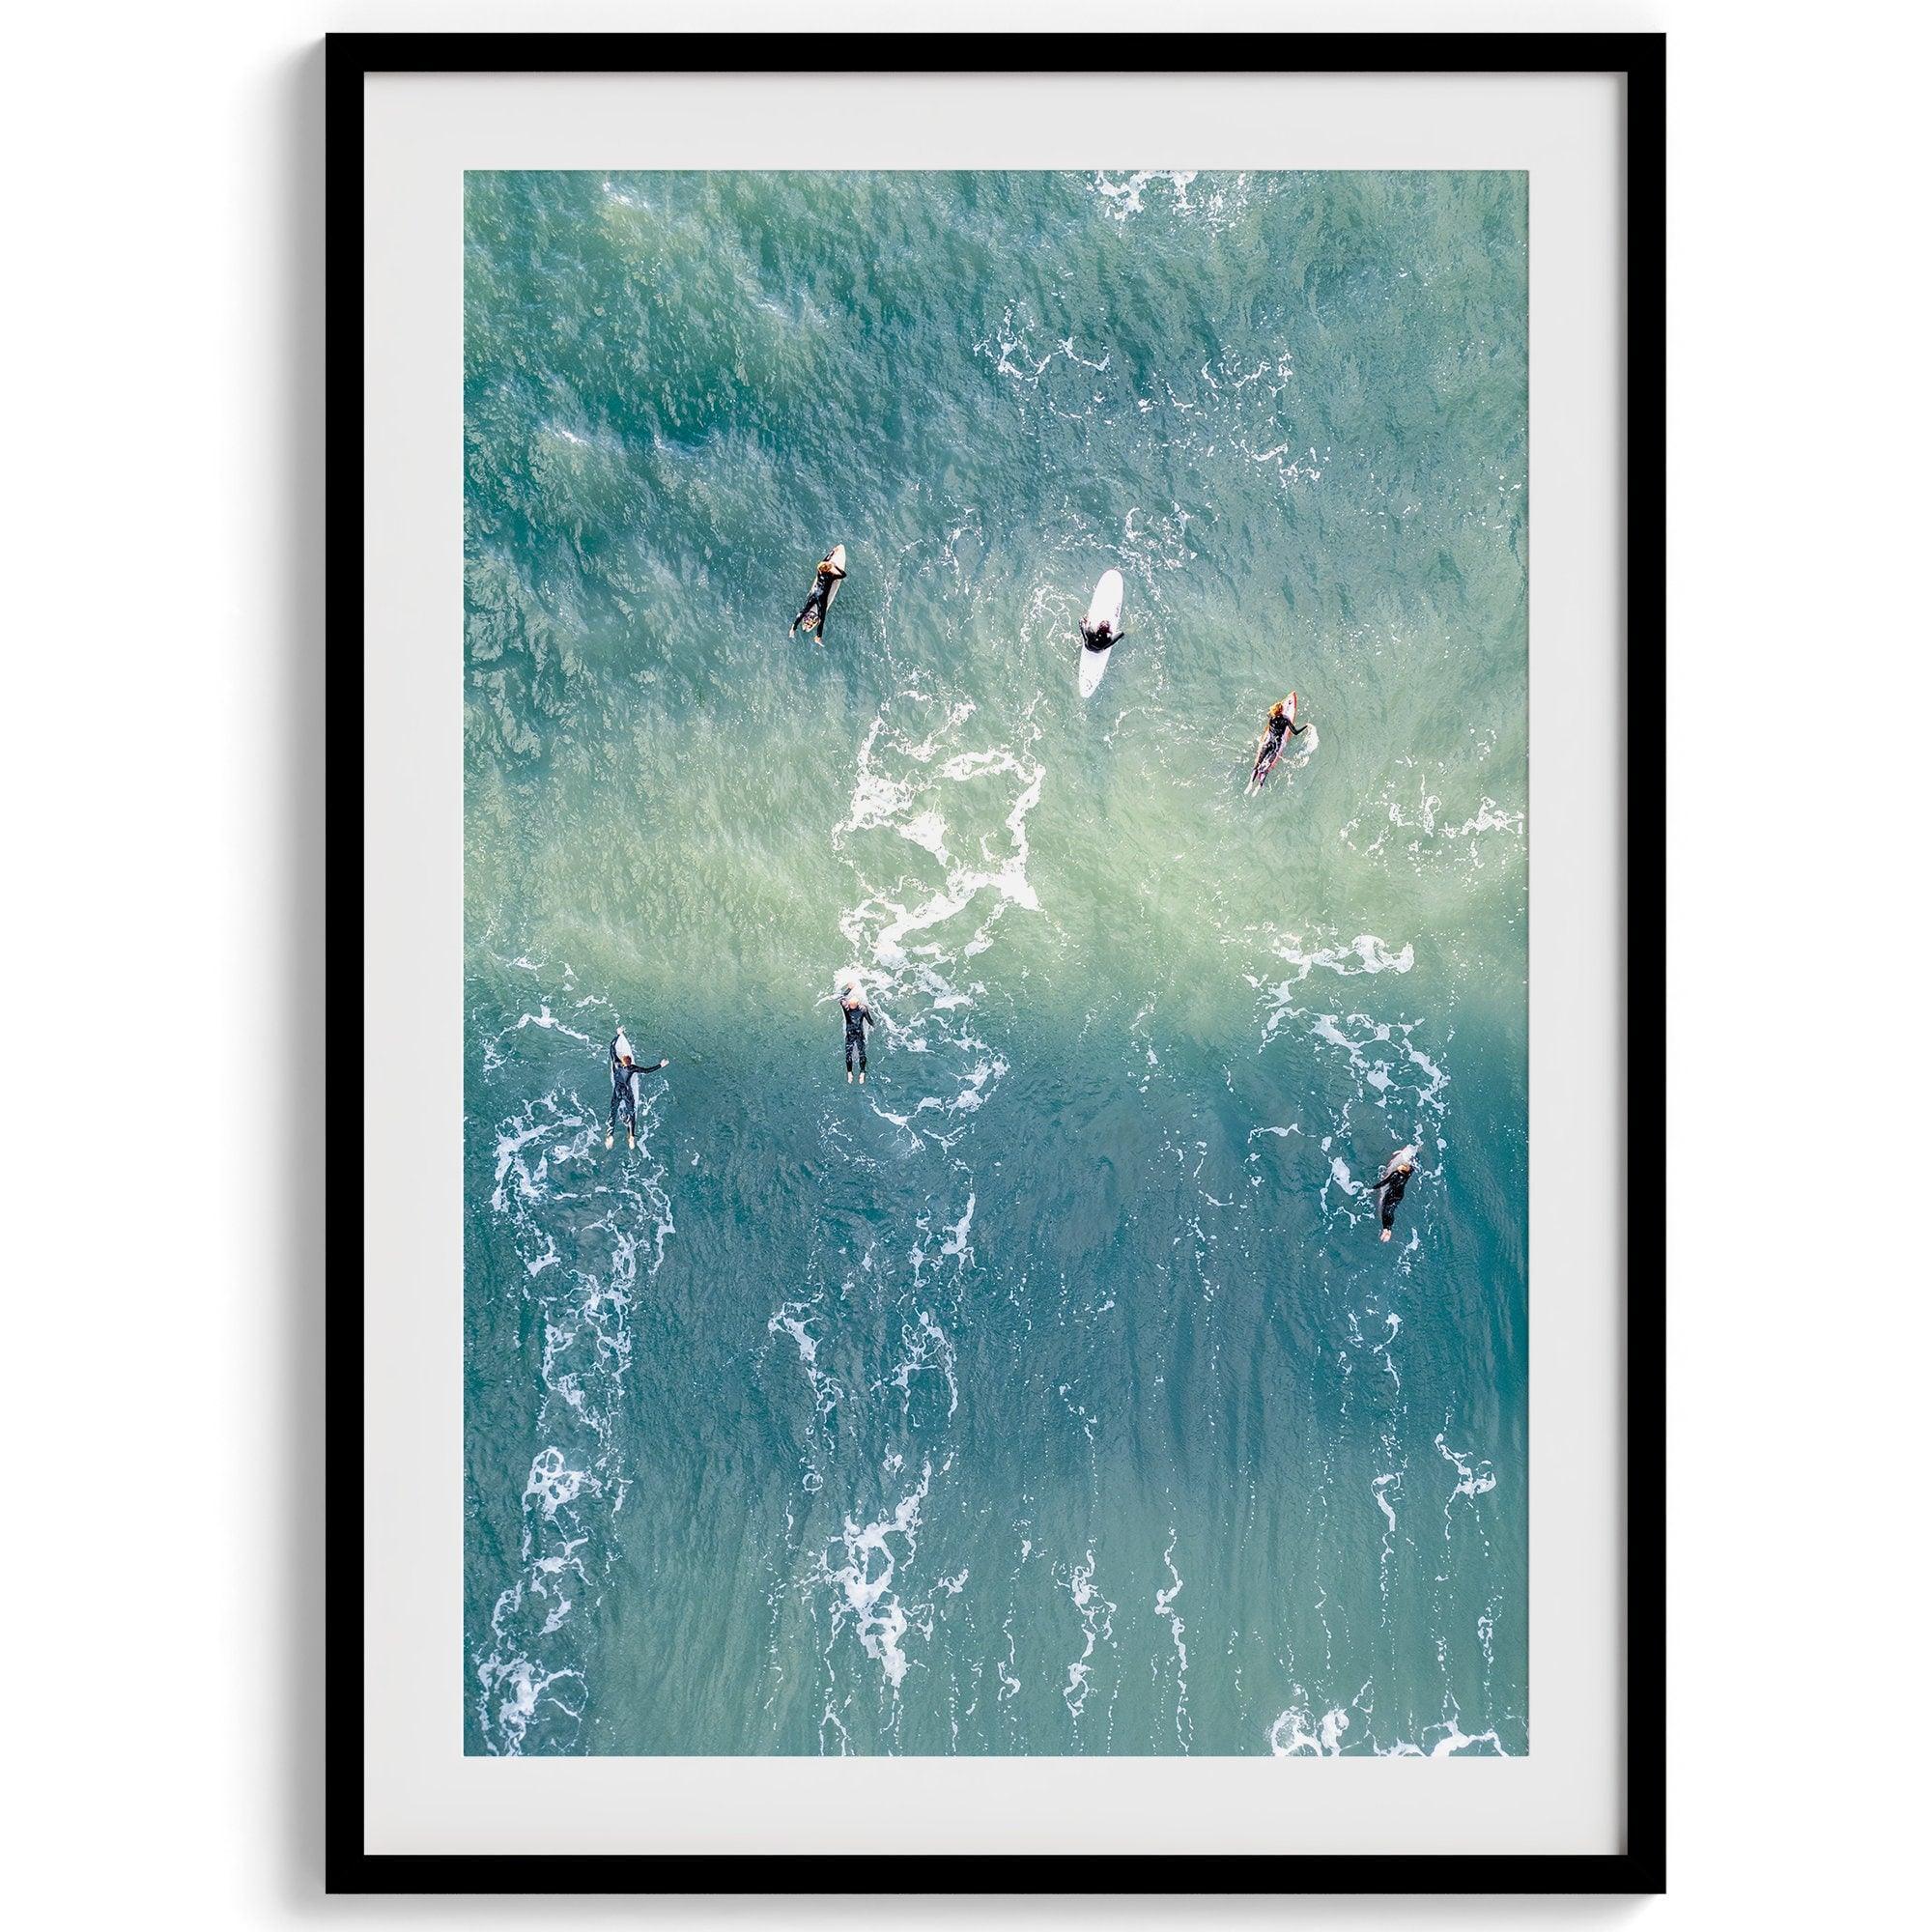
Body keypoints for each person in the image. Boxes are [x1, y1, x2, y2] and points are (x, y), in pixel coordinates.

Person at [607, 1030, 669, 1150]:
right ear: (629, 1063)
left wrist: (618, 1034)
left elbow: (612, 1048)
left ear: (623, 1061)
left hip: (617, 1091)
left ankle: (610, 1135)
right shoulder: (632, 1068)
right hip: (627, 1093)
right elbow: (646, 1071)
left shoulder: (616, 1063)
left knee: (613, 1112)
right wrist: (660, 1065)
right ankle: (631, 1137)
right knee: (632, 1113)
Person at [790, 546, 847, 642]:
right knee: (821, 618)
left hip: (814, 594)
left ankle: (793, 628)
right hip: (822, 598)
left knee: (804, 610)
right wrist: (835, 566)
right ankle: (818, 637)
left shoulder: (820, 571)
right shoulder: (832, 576)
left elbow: (824, 561)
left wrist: (832, 552)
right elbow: (843, 575)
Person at [1250, 696, 1307, 787]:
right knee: (1266, 768)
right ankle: (1259, 786)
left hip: (1267, 742)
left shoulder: (1271, 717)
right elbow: (1295, 732)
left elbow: (1268, 714)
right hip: (1276, 744)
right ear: (1281, 710)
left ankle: (1251, 783)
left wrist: (1277, 707)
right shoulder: (1285, 719)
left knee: (1258, 764)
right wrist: (1306, 726)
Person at [1370, 1151, 1416, 1242]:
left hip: (1392, 1193)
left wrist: (1372, 1188)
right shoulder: (1408, 1174)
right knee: (1391, 1210)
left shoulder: (1396, 1174)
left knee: (1385, 1210)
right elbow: (1412, 1167)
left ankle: (1386, 1229)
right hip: (1399, 1195)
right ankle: (1388, 1229)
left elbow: (1384, 1182)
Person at [839, 984, 874, 1084]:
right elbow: (869, 1020)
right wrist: (874, 1026)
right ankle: (861, 1073)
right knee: (861, 1054)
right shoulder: (863, 1009)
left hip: (851, 1035)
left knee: (849, 1054)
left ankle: (851, 1073)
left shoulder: (846, 1008)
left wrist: (849, 988)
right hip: (859, 1034)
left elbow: (841, 997)